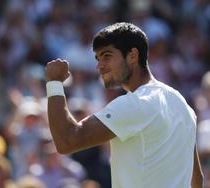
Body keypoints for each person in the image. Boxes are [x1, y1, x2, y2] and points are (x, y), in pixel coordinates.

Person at [45, 22, 204, 188]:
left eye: (107, 56)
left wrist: (54, 82)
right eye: (97, 58)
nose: (99, 65)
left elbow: (67, 141)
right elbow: (197, 179)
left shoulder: (136, 104)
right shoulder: (183, 105)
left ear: (133, 55)